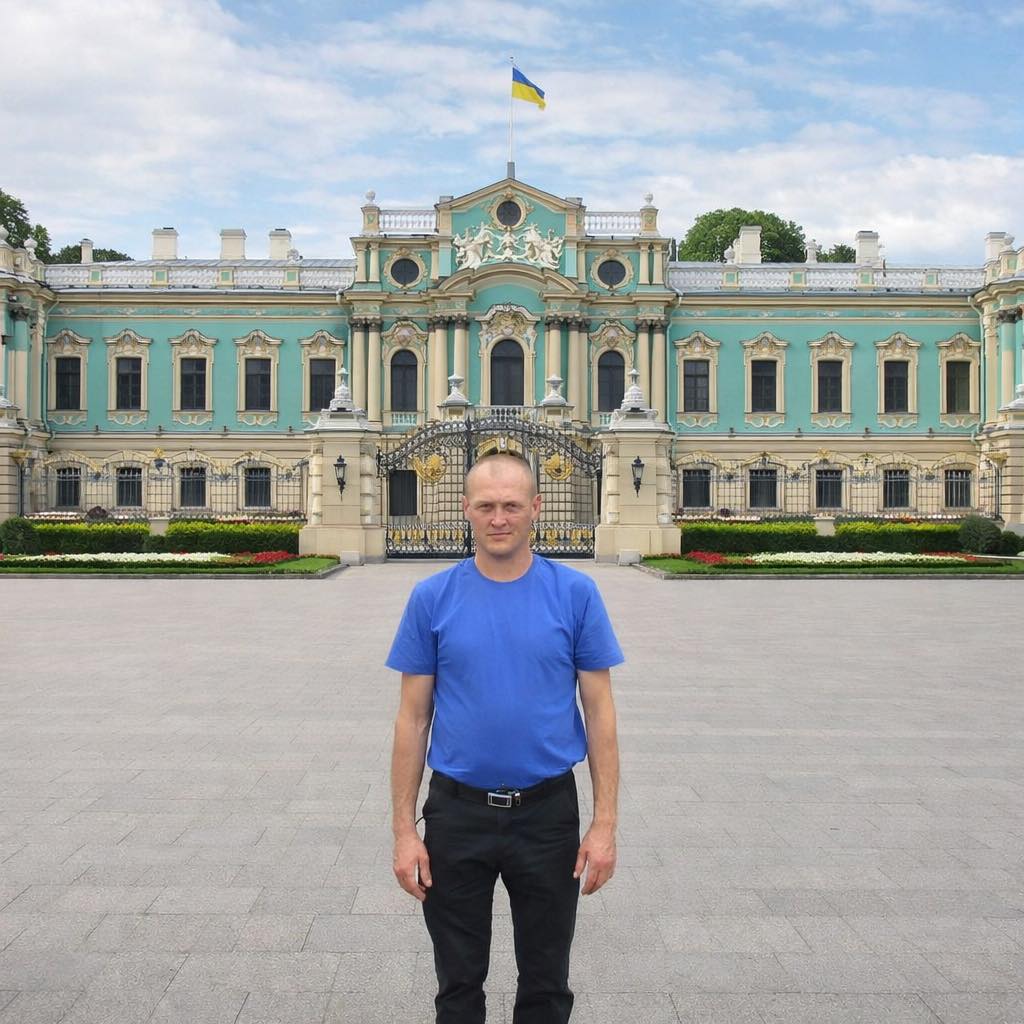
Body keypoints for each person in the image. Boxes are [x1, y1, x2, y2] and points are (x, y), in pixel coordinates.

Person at [387, 452, 623, 1024]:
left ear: (535, 509)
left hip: (547, 815)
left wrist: (604, 825)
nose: (499, 518)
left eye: (512, 506)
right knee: (457, 984)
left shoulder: (575, 593)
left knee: (546, 984)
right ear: (466, 509)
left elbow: (600, 713)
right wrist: (403, 832)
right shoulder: (431, 597)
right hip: (456, 814)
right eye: (487, 506)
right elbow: (412, 719)